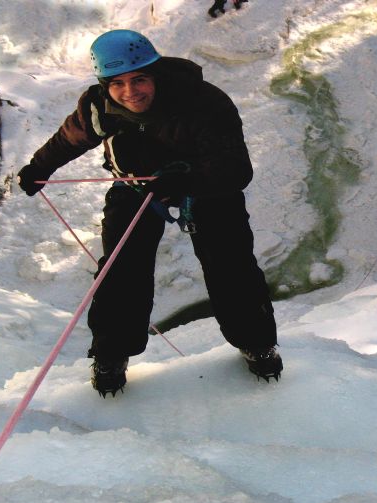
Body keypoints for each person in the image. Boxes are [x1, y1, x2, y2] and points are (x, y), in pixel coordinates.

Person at [17, 29, 281, 397]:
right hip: (135, 187)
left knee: (230, 263)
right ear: (105, 84)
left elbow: (236, 169)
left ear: (155, 73)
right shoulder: (98, 107)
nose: (130, 92)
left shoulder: (204, 103)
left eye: (139, 79)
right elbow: (69, 138)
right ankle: (111, 354)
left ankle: (256, 341)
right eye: (118, 83)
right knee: (121, 268)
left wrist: (186, 180)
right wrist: (38, 168)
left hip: (207, 188)